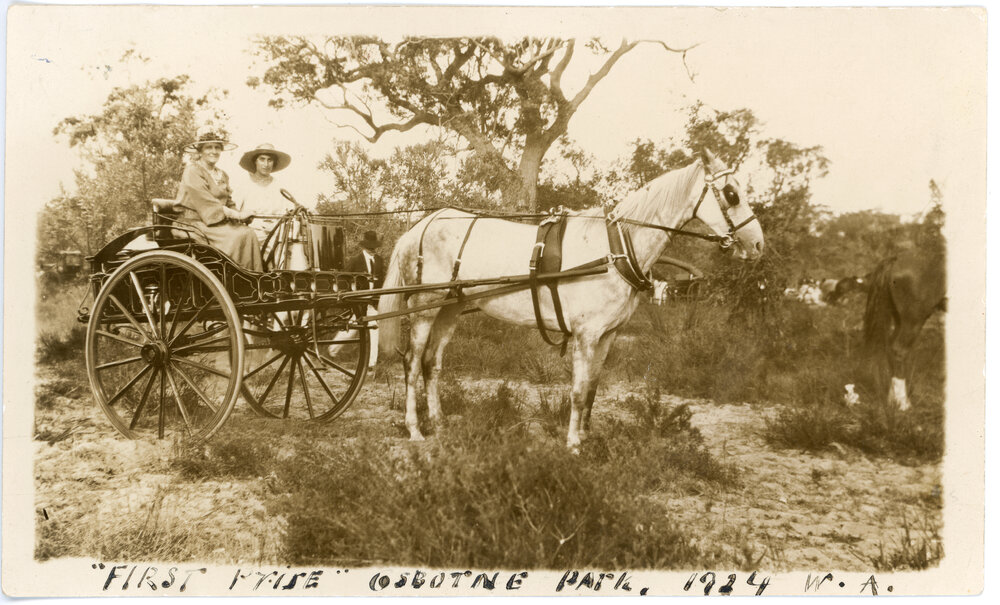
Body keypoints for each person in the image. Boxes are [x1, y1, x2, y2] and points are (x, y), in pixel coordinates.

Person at [176, 132, 263, 272]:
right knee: (236, 237)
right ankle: (229, 279)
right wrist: (237, 216)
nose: (214, 151)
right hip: (194, 223)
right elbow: (205, 202)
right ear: (200, 151)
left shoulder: (222, 174)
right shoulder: (192, 171)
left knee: (248, 233)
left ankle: (251, 279)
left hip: (216, 222)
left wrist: (241, 215)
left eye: (217, 147)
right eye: (208, 147)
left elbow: (228, 201)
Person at [232, 143, 293, 243]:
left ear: (274, 163)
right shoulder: (244, 186)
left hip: (276, 235)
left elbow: (288, 213)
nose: (266, 164)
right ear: (255, 161)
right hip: (250, 236)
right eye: (262, 159)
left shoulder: (279, 186)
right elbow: (234, 212)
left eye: (270, 160)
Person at [345, 231, 384, 370]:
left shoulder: (379, 261)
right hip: (357, 302)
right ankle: (332, 350)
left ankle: (371, 363)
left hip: (372, 302)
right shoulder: (355, 260)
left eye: (375, 248)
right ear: (365, 247)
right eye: (370, 248)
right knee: (350, 329)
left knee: (373, 328)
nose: (373, 250)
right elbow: (345, 280)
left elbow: (382, 280)